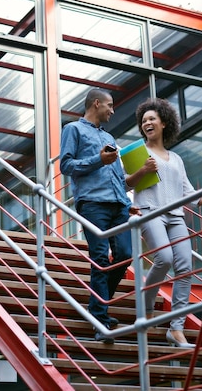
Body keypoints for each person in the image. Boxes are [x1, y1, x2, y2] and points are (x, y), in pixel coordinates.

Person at [125, 97, 202, 348]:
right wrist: (143, 171)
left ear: (164, 123)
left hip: (175, 216)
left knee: (185, 267)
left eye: (152, 119)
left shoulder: (176, 158)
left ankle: (177, 329)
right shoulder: (138, 152)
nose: (147, 123)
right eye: (143, 121)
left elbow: (188, 193)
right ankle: (147, 305)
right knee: (164, 258)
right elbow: (126, 184)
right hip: (151, 212)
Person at [60, 88, 140, 344]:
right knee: (99, 259)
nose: (113, 110)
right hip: (93, 203)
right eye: (110, 105)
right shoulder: (73, 129)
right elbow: (66, 165)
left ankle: (98, 302)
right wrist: (98, 160)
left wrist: (128, 202)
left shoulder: (110, 137)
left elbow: (117, 176)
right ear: (96, 104)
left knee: (125, 255)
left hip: (118, 205)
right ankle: (99, 317)